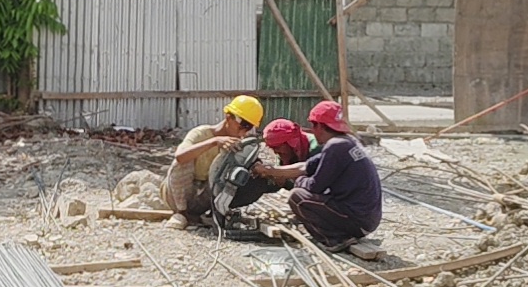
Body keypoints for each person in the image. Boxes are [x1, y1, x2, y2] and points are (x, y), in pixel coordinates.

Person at [252, 100, 382, 249]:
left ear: (320, 125)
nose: (312, 131)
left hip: (357, 219)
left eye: (314, 126)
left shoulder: (335, 147)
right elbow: (305, 166)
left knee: (297, 197)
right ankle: (340, 233)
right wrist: (270, 170)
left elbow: (315, 187)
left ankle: (335, 240)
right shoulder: (346, 142)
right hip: (366, 218)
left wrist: (298, 180)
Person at [163, 95, 263, 227]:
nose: (244, 131)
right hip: (179, 194)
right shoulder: (201, 134)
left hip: (205, 195)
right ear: (229, 117)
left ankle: (212, 213)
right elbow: (180, 157)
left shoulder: (238, 143)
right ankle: (181, 213)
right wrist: (214, 142)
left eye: (249, 127)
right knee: (182, 163)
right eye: (243, 125)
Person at [218, 118, 314, 215]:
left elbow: (315, 182)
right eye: (272, 148)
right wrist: (272, 175)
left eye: (277, 147)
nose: (275, 152)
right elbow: (281, 173)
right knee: (259, 181)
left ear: (291, 143)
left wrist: (274, 172)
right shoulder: (288, 152)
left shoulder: (316, 149)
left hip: (320, 192)